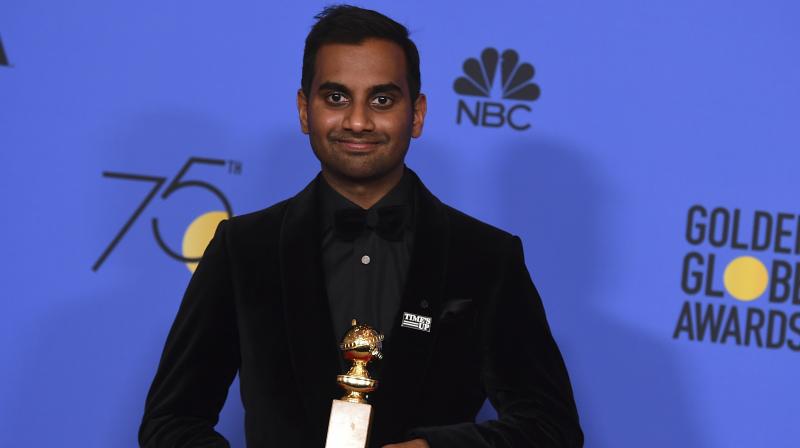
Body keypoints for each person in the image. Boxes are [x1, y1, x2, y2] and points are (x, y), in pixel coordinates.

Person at [139, 5, 583, 448]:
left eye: (382, 99)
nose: (357, 120)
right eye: (335, 98)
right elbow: (171, 423)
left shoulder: (486, 256)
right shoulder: (243, 249)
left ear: (417, 114)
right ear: (303, 110)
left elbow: (551, 427)